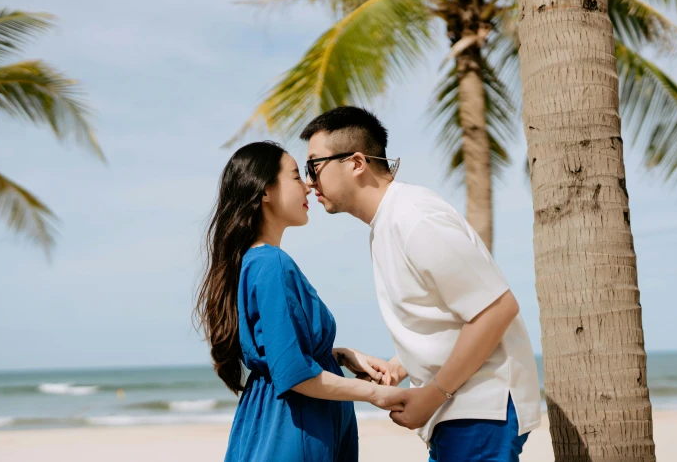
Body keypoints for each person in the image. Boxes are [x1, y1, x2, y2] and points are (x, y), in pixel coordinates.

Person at [301, 107, 542, 462]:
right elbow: (447, 317)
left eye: (314, 166)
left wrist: (431, 396)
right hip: (460, 412)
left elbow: (496, 309)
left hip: (478, 411)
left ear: (355, 163)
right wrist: (398, 368)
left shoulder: (414, 217)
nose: (309, 181)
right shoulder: (389, 223)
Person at [194, 141, 406, 462]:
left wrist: (341, 354)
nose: (308, 186)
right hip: (295, 428)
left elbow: (278, 352)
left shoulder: (251, 263)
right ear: (264, 191)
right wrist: (379, 393)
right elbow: (294, 373)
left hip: (278, 421)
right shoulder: (271, 264)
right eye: (295, 177)